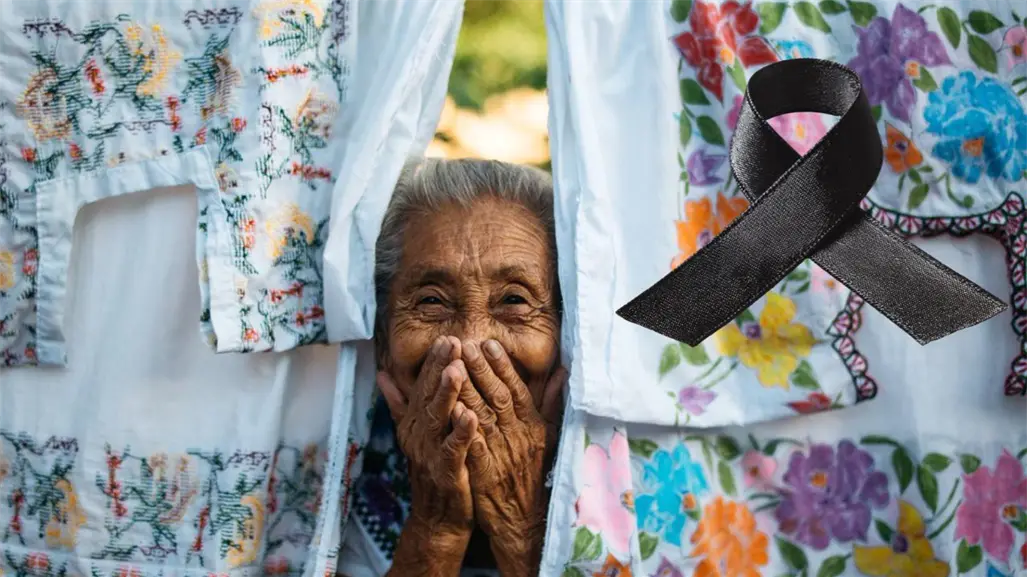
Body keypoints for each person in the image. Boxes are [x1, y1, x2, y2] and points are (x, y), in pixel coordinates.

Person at [338, 157, 567, 577]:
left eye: (514, 300)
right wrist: (435, 526)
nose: (469, 342)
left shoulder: (628, 483)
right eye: (431, 301)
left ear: (568, 337)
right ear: (384, 342)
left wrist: (522, 527)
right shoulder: (329, 485)